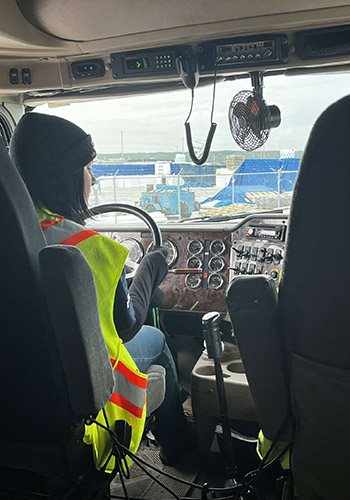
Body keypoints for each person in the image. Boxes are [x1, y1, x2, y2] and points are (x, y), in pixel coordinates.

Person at [9, 112, 194, 468]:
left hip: (20, 388)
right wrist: (152, 267)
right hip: (83, 388)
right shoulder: (85, 244)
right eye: (88, 169)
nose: (92, 179)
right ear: (66, 177)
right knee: (155, 339)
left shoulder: (13, 233)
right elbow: (126, 325)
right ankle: (178, 446)